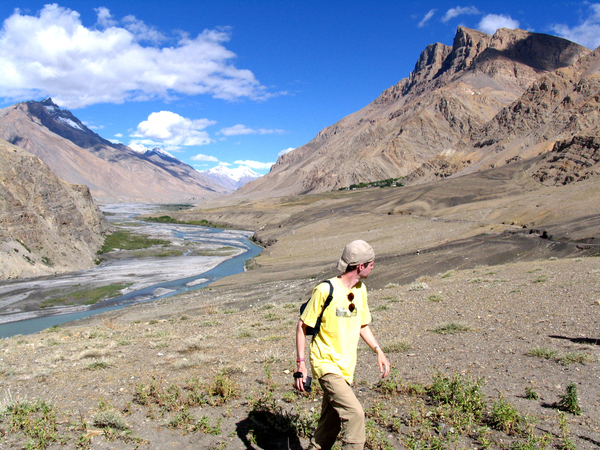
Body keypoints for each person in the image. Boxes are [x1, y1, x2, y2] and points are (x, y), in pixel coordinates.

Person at [294, 240, 390, 450]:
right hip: (326, 364)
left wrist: (378, 351)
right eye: (371, 263)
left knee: (330, 425)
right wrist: (301, 364)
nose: (374, 266)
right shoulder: (325, 290)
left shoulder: (360, 289)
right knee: (355, 414)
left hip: (345, 367)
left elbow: (362, 324)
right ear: (360, 266)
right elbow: (302, 326)